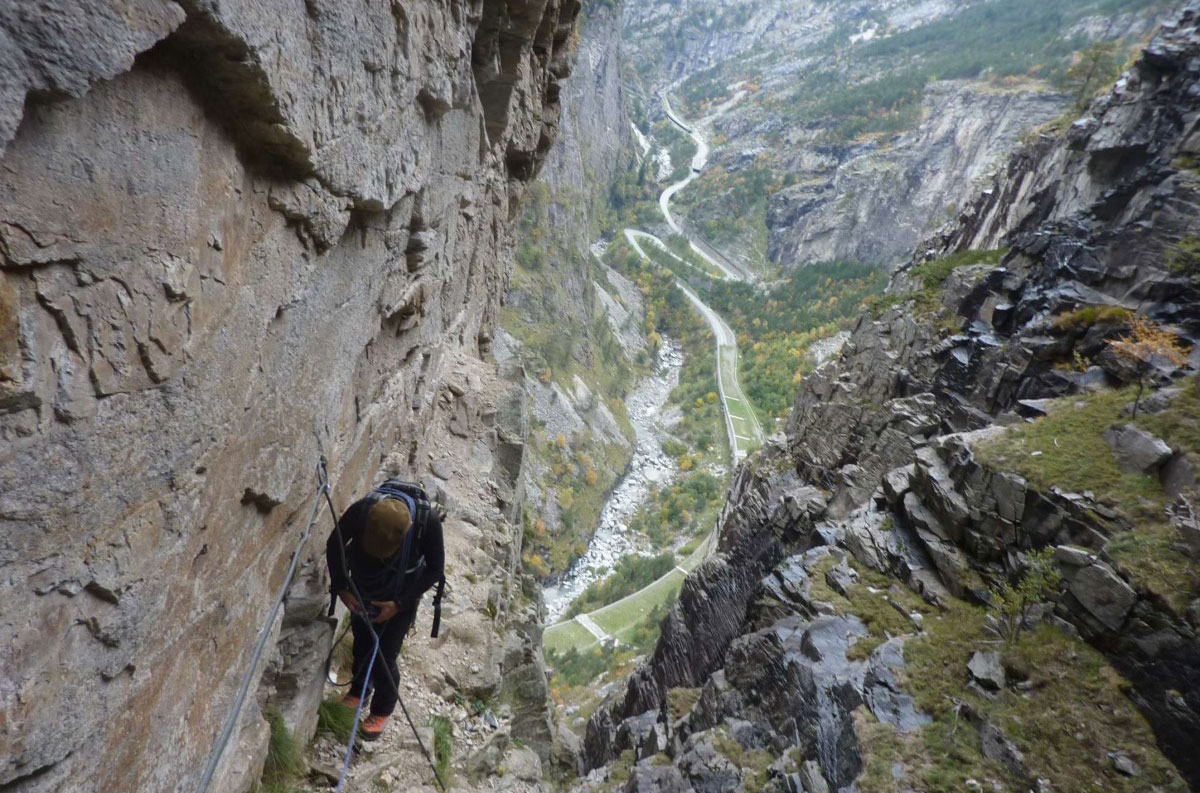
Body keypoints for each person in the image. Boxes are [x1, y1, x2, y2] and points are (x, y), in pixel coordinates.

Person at [325, 482, 445, 740]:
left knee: (384, 654)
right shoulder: (362, 511)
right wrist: (342, 588)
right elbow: (334, 544)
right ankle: (359, 690)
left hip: (402, 594)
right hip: (362, 587)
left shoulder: (428, 523)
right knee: (361, 641)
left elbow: (435, 569)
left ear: (408, 529)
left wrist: (399, 604)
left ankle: (383, 708)